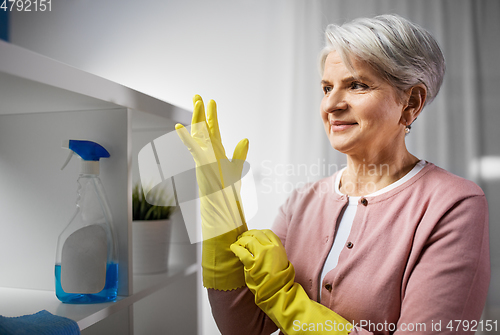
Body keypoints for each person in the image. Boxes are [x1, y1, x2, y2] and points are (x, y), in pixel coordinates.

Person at [176, 14, 490, 335]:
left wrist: (284, 299)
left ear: (411, 102)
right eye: (327, 87)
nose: (331, 104)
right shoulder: (303, 201)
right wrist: (219, 206)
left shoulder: (454, 205)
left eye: (356, 85)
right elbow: (243, 326)